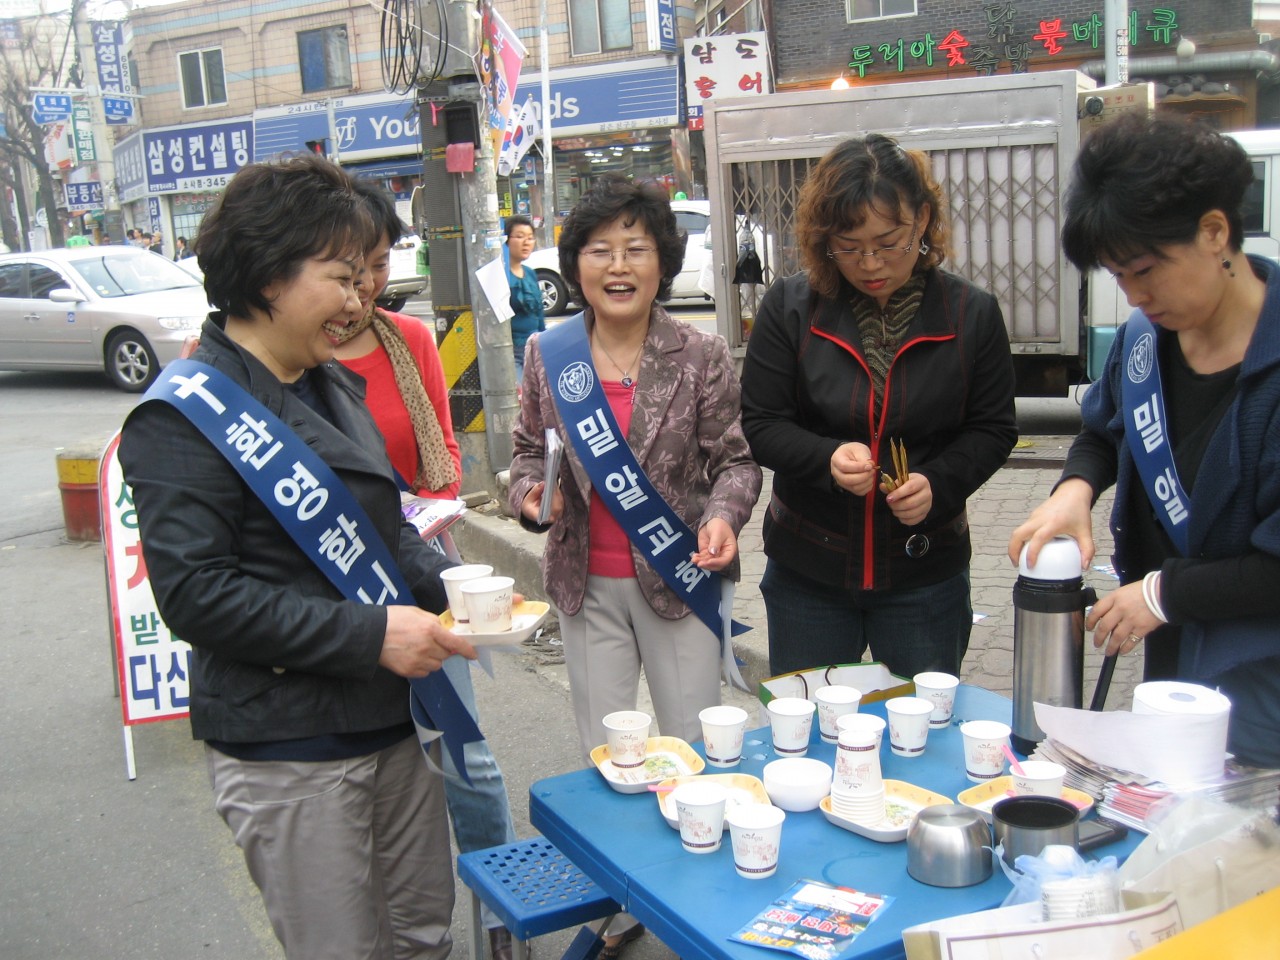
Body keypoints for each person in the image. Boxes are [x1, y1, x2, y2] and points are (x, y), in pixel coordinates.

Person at [118, 153, 475, 959]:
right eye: (341, 278)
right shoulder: (183, 413)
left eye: (362, 280)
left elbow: (382, 533)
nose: (358, 301)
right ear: (270, 275)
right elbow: (198, 596)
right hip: (290, 748)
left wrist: (461, 590)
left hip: (394, 721)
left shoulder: (328, 383)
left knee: (423, 931)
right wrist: (372, 636)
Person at [507, 174, 761, 958]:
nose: (618, 266)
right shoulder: (548, 355)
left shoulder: (703, 353)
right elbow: (523, 456)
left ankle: (695, 896)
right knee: (606, 754)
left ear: (663, 262)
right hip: (587, 587)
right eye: (599, 250)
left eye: (636, 249)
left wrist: (722, 517)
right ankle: (618, 896)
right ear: (575, 264)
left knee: (689, 744)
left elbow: (736, 462)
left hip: (680, 584)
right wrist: (527, 501)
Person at [1008, 114, 1280, 768]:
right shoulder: (1142, 343)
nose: (1134, 295)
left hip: (1262, 681)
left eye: (1145, 270)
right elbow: (1104, 430)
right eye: (1117, 276)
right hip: (1175, 663)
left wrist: (1160, 595)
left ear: (1215, 231)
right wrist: (1075, 488)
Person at [740, 133, 1017, 681]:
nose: (870, 263)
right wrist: (826, 459)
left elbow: (992, 428)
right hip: (808, 574)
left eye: (889, 242)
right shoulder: (790, 308)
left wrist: (939, 483)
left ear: (924, 222)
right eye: (849, 246)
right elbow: (762, 422)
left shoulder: (971, 313)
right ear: (824, 241)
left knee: (922, 734)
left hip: (924, 574)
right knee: (811, 740)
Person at [334, 180, 520, 960]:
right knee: (372, 773)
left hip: (421, 570)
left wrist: (423, 516)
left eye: (377, 264)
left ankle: (505, 907)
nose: (366, 286)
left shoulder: (405, 343)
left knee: (466, 754)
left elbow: (441, 462)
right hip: (334, 595)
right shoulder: (263, 367)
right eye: (349, 267)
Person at [504, 215, 545, 383]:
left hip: (536, 349)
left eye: (530, 238)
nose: (526, 242)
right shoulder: (501, 275)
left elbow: (539, 315)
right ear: (506, 240)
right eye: (520, 237)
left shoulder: (530, 273)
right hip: (512, 352)